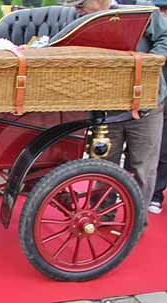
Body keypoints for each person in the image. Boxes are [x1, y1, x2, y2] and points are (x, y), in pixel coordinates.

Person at [68, 0, 167, 218]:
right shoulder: (82, 21)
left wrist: (150, 61)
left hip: (145, 106)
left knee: (143, 168)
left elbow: (165, 37)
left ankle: (135, 221)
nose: (76, 8)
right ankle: (102, 215)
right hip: (107, 106)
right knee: (103, 165)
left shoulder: (140, 13)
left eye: (80, 3)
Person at [149, 0, 167, 214]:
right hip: (150, 100)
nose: (163, 14)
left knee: (163, 152)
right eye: (161, 10)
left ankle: (155, 194)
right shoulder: (153, 32)